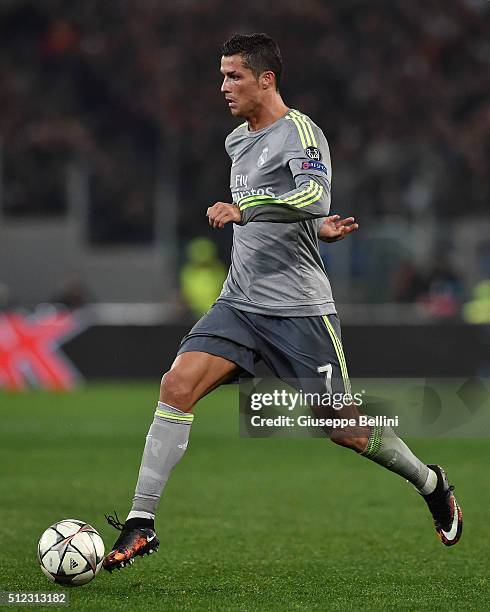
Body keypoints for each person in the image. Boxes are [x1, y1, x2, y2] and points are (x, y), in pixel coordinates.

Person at [103, 33, 462, 572]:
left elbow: (311, 195)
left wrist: (258, 213)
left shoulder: (301, 133)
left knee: (343, 427)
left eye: (234, 76)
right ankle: (141, 522)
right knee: (176, 385)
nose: (223, 86)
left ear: (266, 79)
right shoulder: (235, 142)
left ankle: (430, 482)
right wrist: (317, 228)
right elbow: (304, 211)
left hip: (298, 309)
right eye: (222, 76)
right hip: (240, 301)